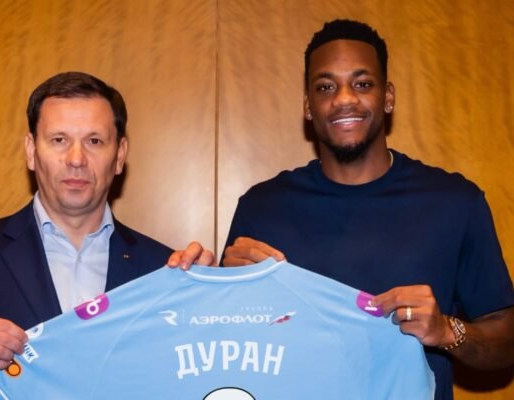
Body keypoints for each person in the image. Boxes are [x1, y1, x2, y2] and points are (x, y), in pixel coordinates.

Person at [178, 19, 514, 400]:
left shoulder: (454, 203)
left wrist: (447, 330)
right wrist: (221, 291)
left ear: (388, 97)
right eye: (325, 87)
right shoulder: (261, 208)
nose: (343, 99)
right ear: (308, 106)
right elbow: (224, 348)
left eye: (362, 83)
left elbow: (506, 340)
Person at [0, 71, 210, 400]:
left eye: (94, 141)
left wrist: (206, 302)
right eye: (59, 140)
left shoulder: (163, 270)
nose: (76, 159)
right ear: (31, 150)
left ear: (119, 155)